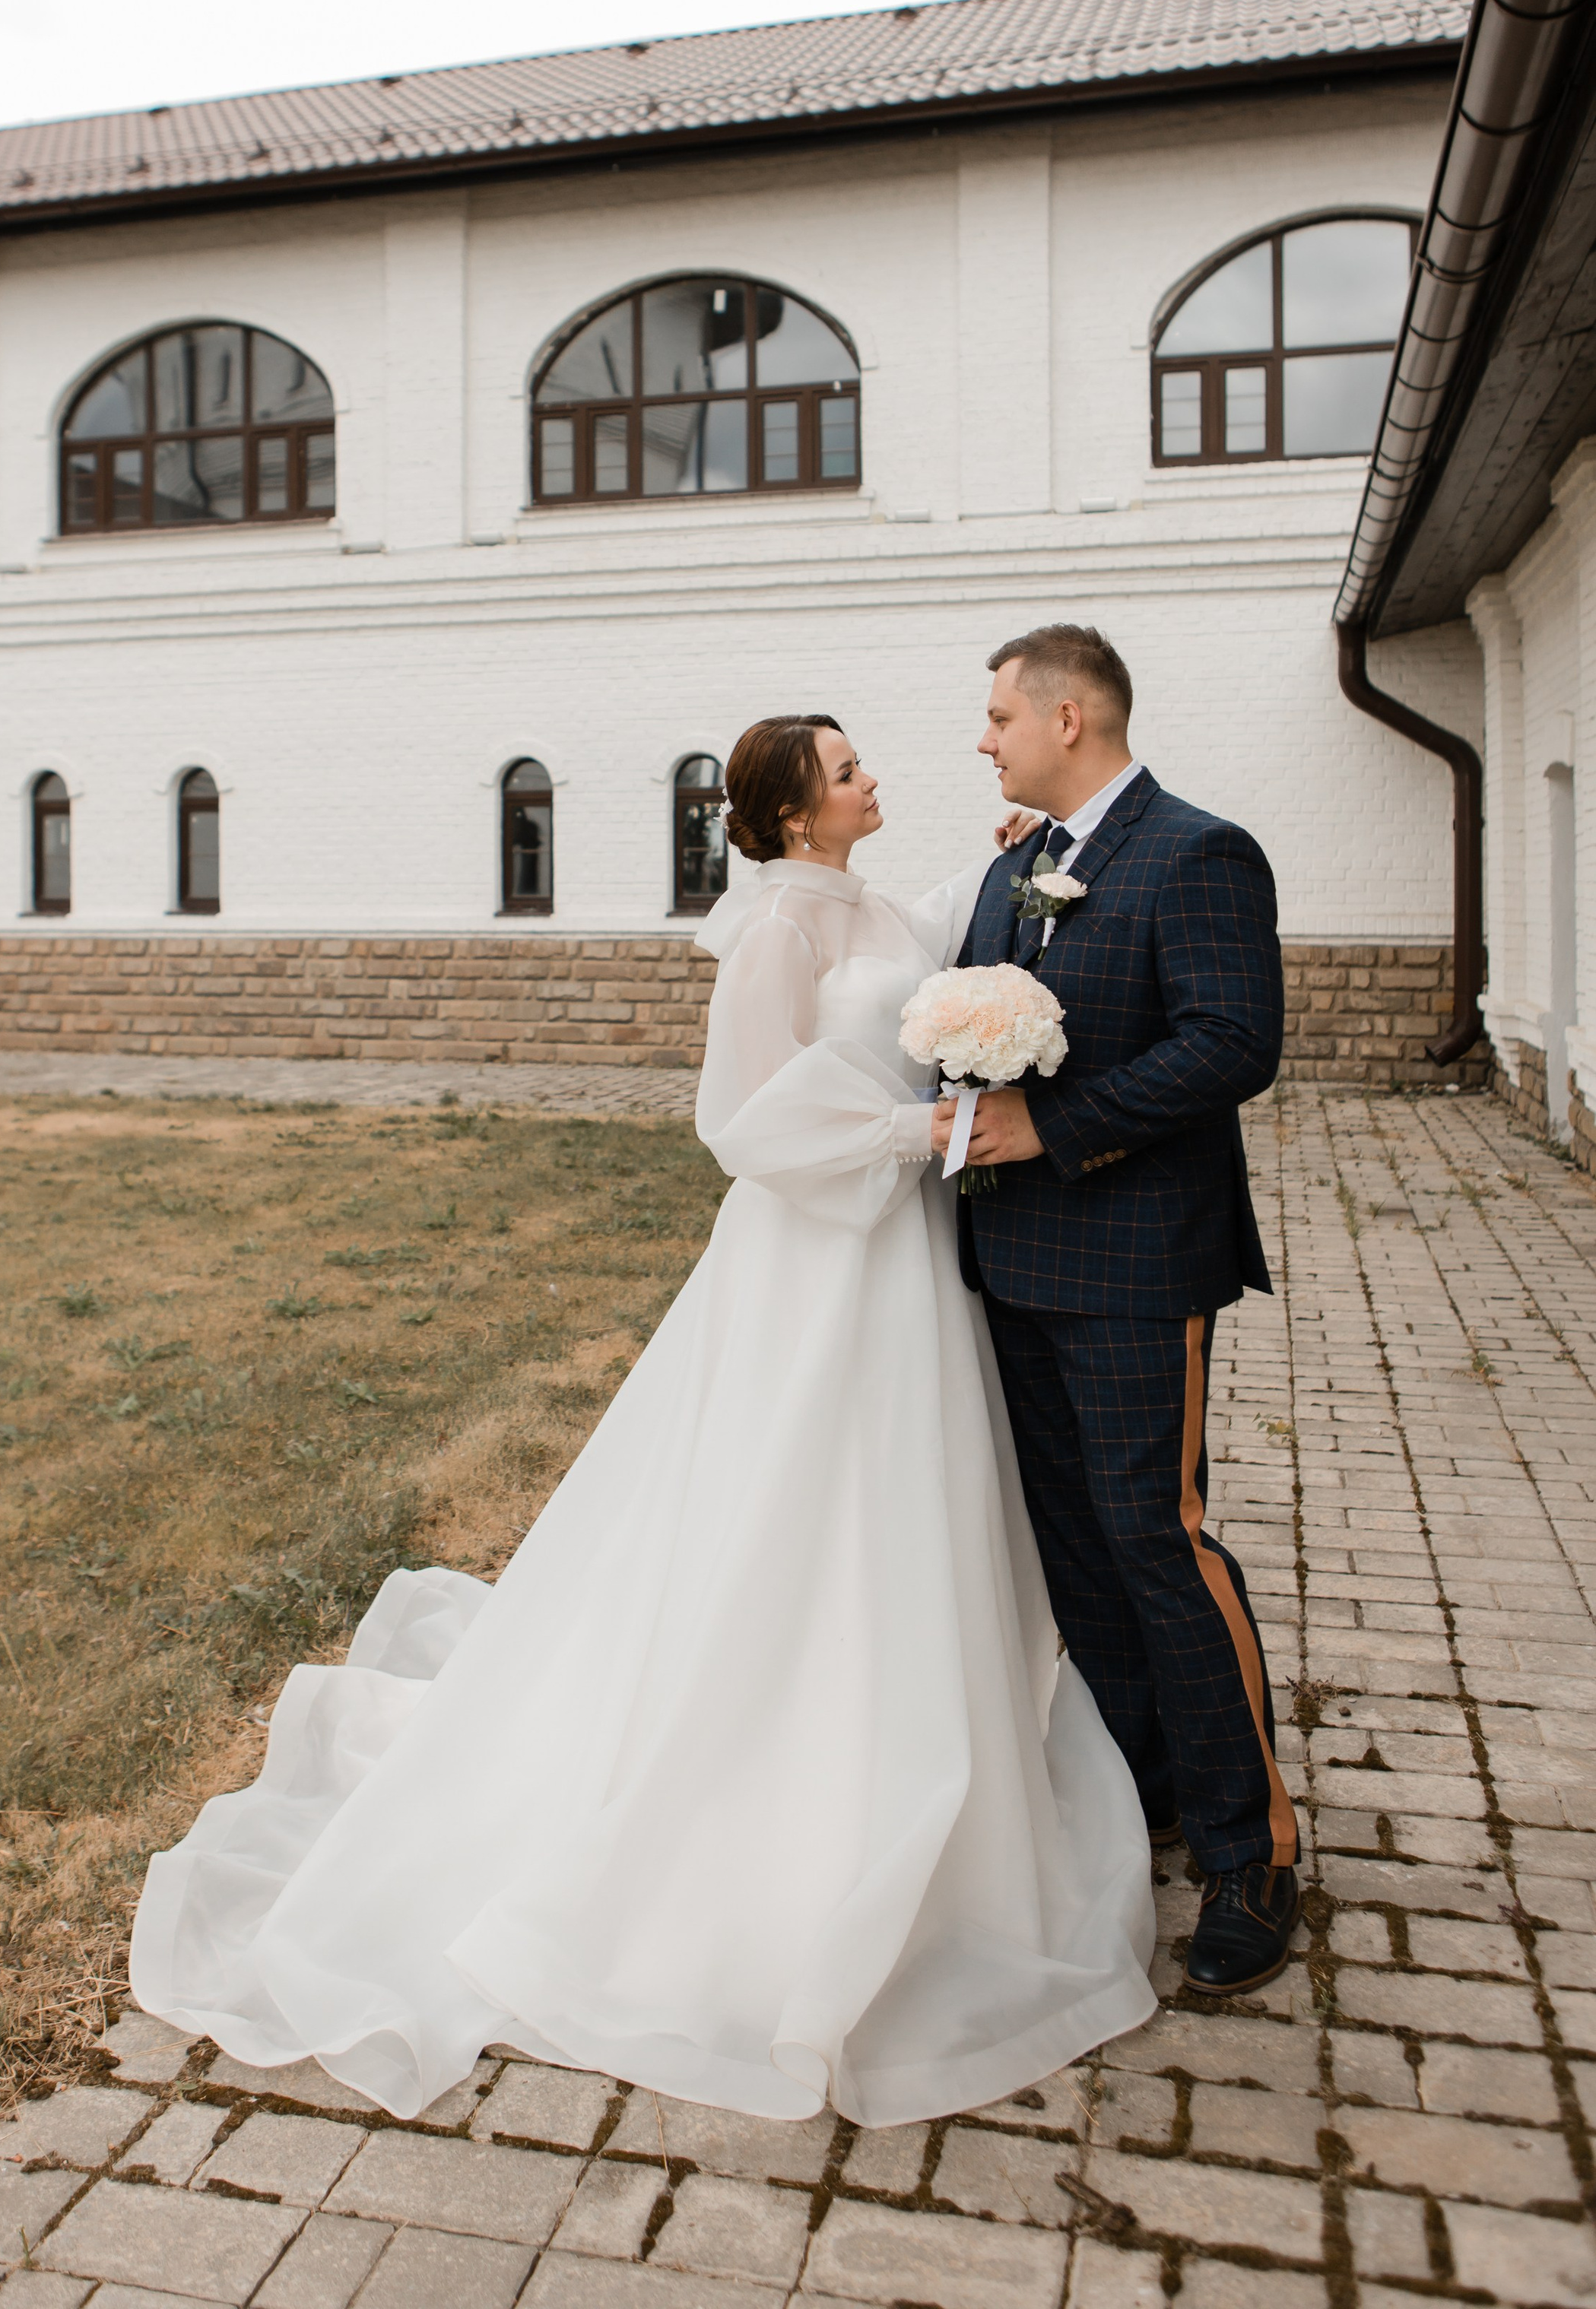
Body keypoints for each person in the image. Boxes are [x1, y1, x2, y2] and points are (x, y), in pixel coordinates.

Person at [128, 714, 1157, 2126]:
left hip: (910, 1259)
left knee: (906, 1499)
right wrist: (910, 1136)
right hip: (821, 1251)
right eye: (848, 772)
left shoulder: (856, 898)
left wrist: (1012, 870)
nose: (875, 780)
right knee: (803, 1495)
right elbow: (739, 1120)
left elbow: (910, 959)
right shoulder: (775, 927)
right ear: (798, 818)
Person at [952, 624, 1294, 1996]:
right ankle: (1143, 1788)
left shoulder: (1200, 851)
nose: (985, 737)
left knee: (1161, 1543)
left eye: (998, 716)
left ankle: (1250, 1850)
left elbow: (1233, 1043)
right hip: (1013, 1268)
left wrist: (1052, 1126)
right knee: (1079, 1555)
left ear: (1071, 713)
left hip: (1139, 1268)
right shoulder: (1015, 862)